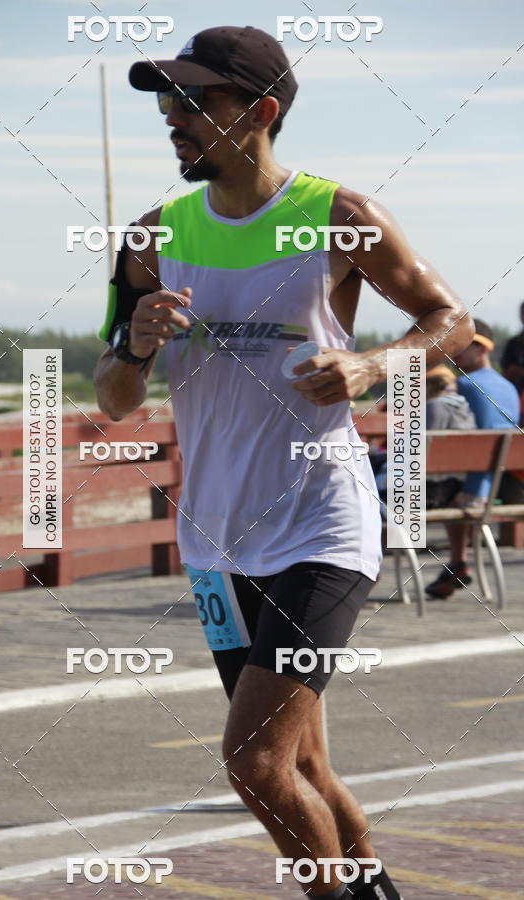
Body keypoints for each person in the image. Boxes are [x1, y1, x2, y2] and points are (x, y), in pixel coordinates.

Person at [93, 25, 474, 900]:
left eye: (193, 103)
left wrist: (373, 367)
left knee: (253, 763)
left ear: (260, 113)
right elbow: (113, 396)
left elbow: (448, 317)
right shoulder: (152, 235)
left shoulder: (339, 217)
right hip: (215, 545)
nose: (171, 120)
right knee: (302, 761)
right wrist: (135, 344)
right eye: (166, 104)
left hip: (321, 524)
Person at [425, 320, 520, 599]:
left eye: (460, 348)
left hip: (466, 490)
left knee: (385, 489)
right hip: (498, 488)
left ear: (480, 348)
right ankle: (457, 562)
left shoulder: (463, 386)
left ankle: (369, 571)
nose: (453, 356)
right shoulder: (509, 388)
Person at [425, 365, 476, 509]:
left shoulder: (434, 406)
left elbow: (424, 447)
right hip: (457, 484)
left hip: (432, 488)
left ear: (429, 385)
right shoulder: (464, 405)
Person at [500, 300, 524, 394]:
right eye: (522, 314)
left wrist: (516, 370)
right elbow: (506, 370)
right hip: (516, 394)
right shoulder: (513, 343)